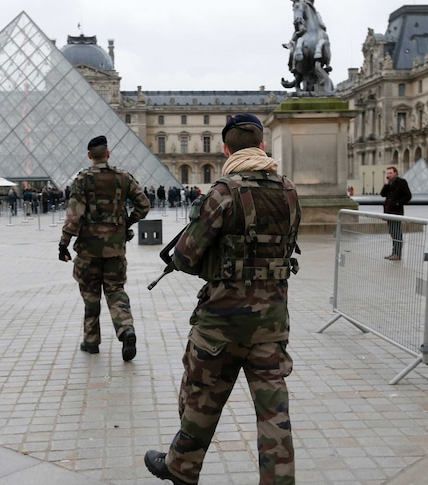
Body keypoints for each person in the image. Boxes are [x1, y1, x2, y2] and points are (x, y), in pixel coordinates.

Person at [144, 114, 301, 485]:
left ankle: (181, 468)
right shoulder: (290, 190)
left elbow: (184, 256)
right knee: (274, 415)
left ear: (226, 149)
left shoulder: (223, 191)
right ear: (262, 146)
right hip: (272, 324)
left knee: (201, 400)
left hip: (221, 323)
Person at [58, 135, 150, 361]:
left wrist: (64, 243)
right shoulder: (123, 178)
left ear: (90, 156)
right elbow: (144, 205)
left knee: (90, 296)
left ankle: (91, 342)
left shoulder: (82, 180)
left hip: (88, 251)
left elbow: (74, 215)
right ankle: (126, 329)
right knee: (115, 290)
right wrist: (127, 222)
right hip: (115, 250)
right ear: (108, 154)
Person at [379, 166, 412, 260]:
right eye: (387, 173)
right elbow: (382, 194)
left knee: (397, 233)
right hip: (388, 212)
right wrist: (386, 184)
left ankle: (397, 254)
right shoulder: (389, 183)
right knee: (392, 233)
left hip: (396, 212)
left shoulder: (401, 182)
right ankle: (394, 252)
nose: (388, 175)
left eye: (390, 173)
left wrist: (398, 203)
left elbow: (408, 196)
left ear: (395, 173)